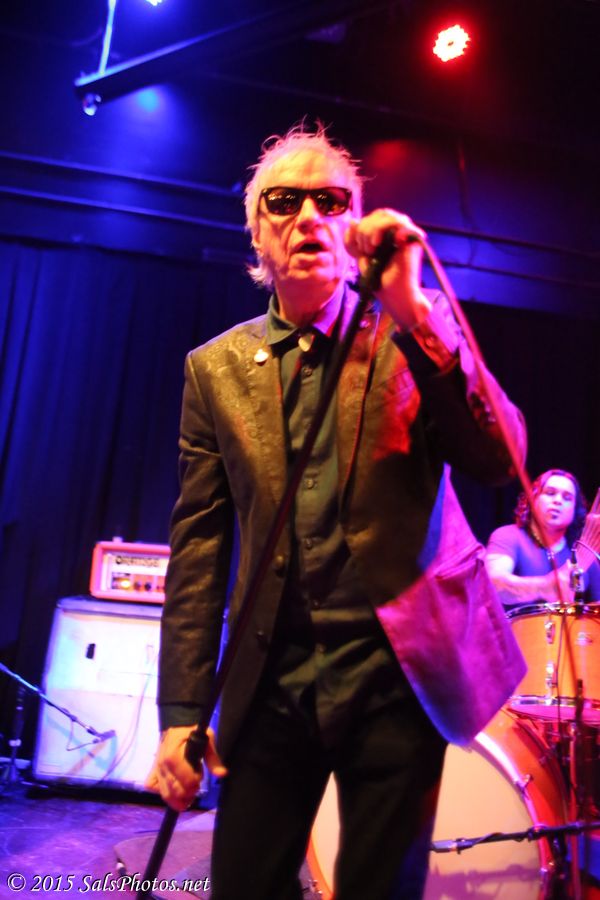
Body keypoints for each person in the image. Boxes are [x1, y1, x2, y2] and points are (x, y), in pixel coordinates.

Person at [146, 123, 527, 900]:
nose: (308, 217)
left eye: (330, 201)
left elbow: (502, 459)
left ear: (354, 228)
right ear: (257, 234)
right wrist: (182, 711)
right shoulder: (214, 370)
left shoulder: (410, 332)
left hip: (398, 673)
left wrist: (416, 313)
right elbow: (199, 548)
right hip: (273, 678)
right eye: (284, 202)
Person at [486, 468, 600, 608]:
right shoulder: (508, 536)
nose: (558, 501)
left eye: (567, 498)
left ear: (575, 509)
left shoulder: (586, 554)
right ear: (533, 499)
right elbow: (493, 584)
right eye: (550, 493)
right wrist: (545, 587)